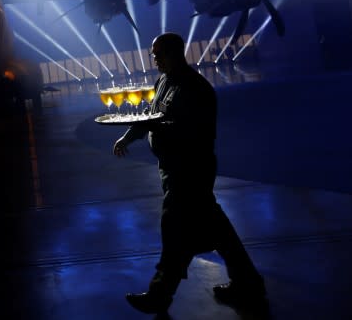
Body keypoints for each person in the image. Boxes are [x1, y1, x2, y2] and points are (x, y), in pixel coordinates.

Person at [112, 32, 266, 314]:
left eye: (157, 54)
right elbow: (150, 116)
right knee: (218, 230)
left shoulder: (196, 88)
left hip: (189, 171)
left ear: (173, 53)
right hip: (172, 169)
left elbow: (194, 133)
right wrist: (128, 137)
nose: (154, 59)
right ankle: (248, 283)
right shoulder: (164, 82)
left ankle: (160, 294)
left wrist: (158, 130)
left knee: (174, 232)